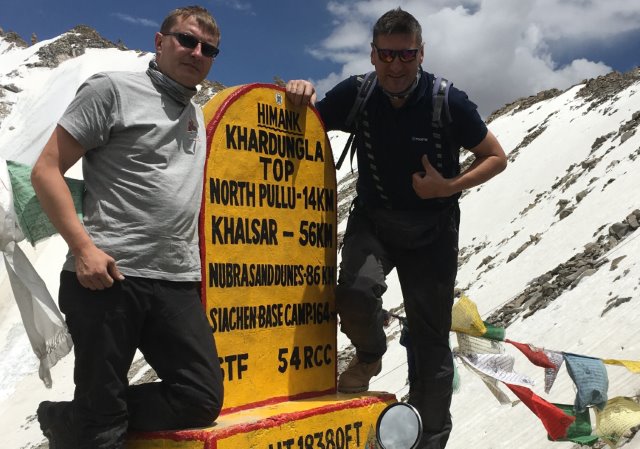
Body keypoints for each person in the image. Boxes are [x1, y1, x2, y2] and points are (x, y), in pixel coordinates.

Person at [286, 8, 507, 449]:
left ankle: (428, 441)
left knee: (430, 343)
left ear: (420, 54)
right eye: (386, 55)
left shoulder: (449, 101)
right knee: (353, 291)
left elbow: (495, 156)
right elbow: (308, 121)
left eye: (405, 55)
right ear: (372, 55)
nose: (395, 65)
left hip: (434, 230)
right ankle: (369, 356)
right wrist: (299, 93)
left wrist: (449, 185)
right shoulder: (358, 93)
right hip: (374, 220)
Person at [30, 6, 224, 448]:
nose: (197, 52)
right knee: (106, 429)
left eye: (208, 48)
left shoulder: (196, 114)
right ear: (160, 41)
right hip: (106, 275)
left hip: (175, 281)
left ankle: (73, 418)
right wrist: (83, 250)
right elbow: (46, 170)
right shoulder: (112, 90)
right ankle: (93, 417)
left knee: (200, 398)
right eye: (187, 40)